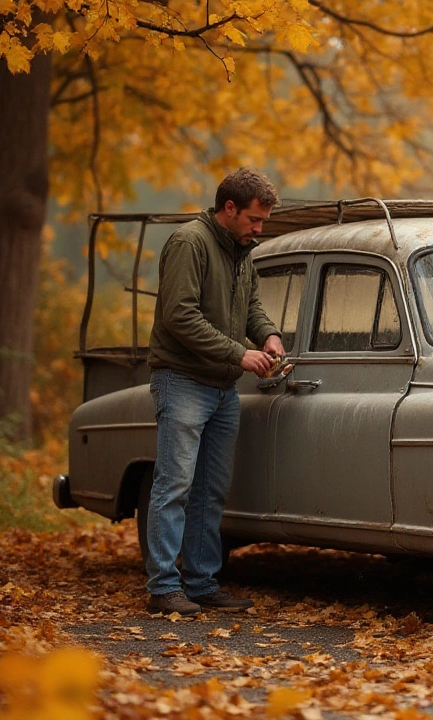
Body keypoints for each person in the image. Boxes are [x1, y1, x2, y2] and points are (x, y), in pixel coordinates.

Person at [144, 168, 286, 616]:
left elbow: (252, 307)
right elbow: (178, 316)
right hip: (183, 380)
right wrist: (238, 354)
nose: (259, 229)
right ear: (229, 209)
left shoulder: (240, 249)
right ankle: (163, 588)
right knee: (174, 487)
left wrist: (268, 336)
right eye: (254, 220)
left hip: (222, 388)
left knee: (210, 491)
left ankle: (201, 584)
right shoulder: (190, 243)